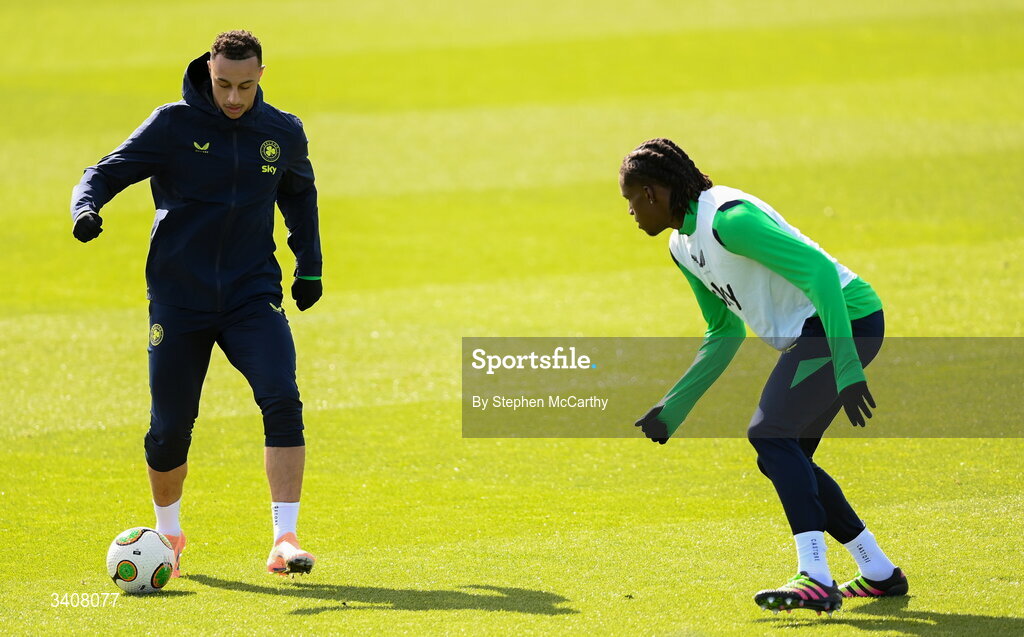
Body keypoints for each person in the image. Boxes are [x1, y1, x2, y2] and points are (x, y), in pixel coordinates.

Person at [70, 30, 322, 577]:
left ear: (261, 76)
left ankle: (285, 539)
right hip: (179, 299)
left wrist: (310, 265)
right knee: (170, 428)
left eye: (245, 86)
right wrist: (86, 209)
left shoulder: (282, 132)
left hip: (251, 294)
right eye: (224, 84)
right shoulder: (173, 124)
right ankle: (168, 533)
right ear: (209, 70)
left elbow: (300, 196)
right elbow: (104, 171)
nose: (233, 98)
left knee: (282, 396)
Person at [619, 138, 907, 615]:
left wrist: (848, 364)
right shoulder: (680, 246)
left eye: (630, 200)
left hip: (845, 321)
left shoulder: (730, 221)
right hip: (812, 334)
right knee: (780, 454)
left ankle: (814, 577)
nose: (630, 212)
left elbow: (818, 272)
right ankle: (878, 572)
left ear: (651, 193)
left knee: (770, 434)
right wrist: (673, 408)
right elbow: (723, 331)